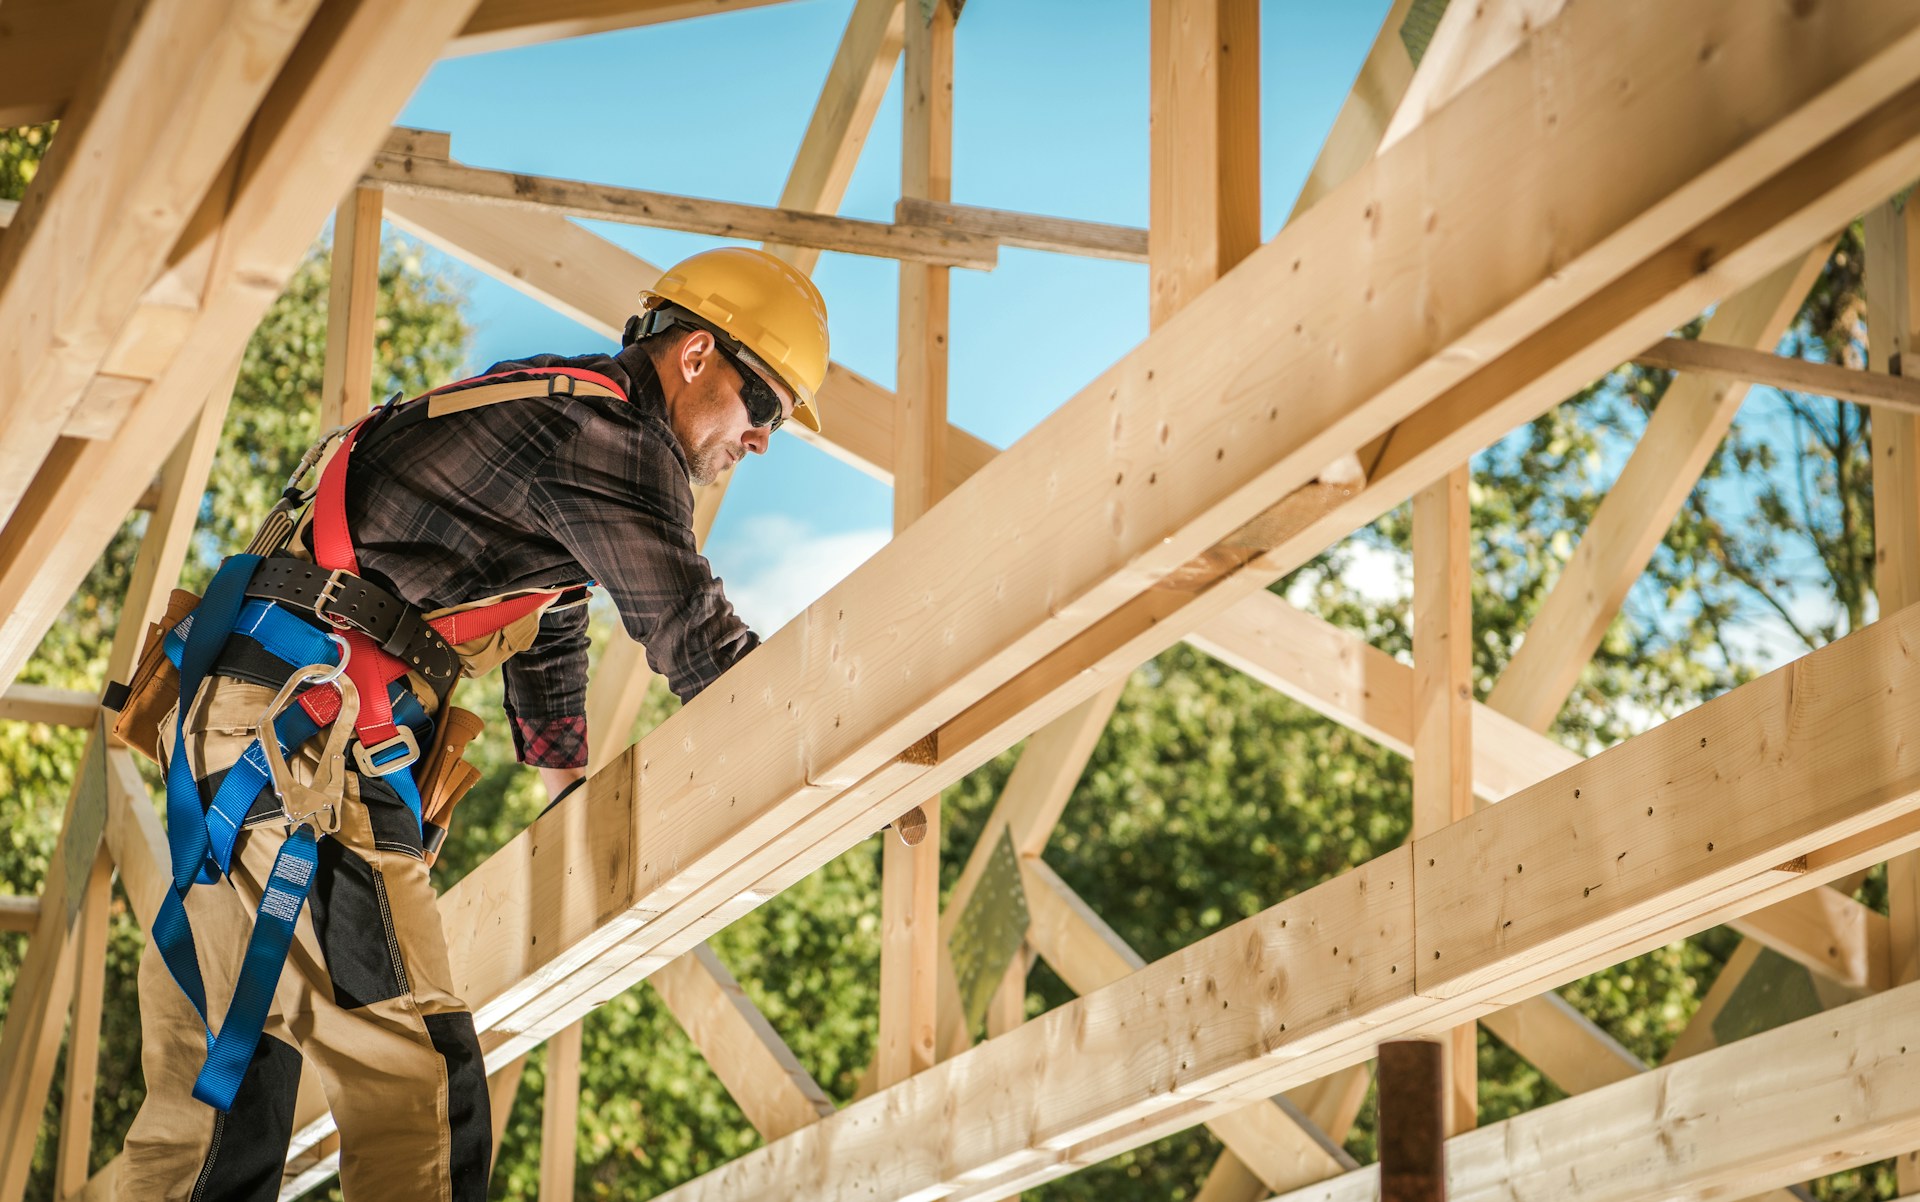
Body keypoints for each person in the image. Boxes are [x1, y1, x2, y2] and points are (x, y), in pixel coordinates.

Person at [117, 247, 828, 1201]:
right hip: (303, 753)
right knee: (421, 1084)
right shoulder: (616, 440)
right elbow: (697, 639)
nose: (763, 439)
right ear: (698, 354)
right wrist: (822, 727)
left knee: (219, 1106)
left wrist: (564, 785)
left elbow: (553, 609)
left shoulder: (540, 407)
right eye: (766, 407)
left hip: (232, 741)